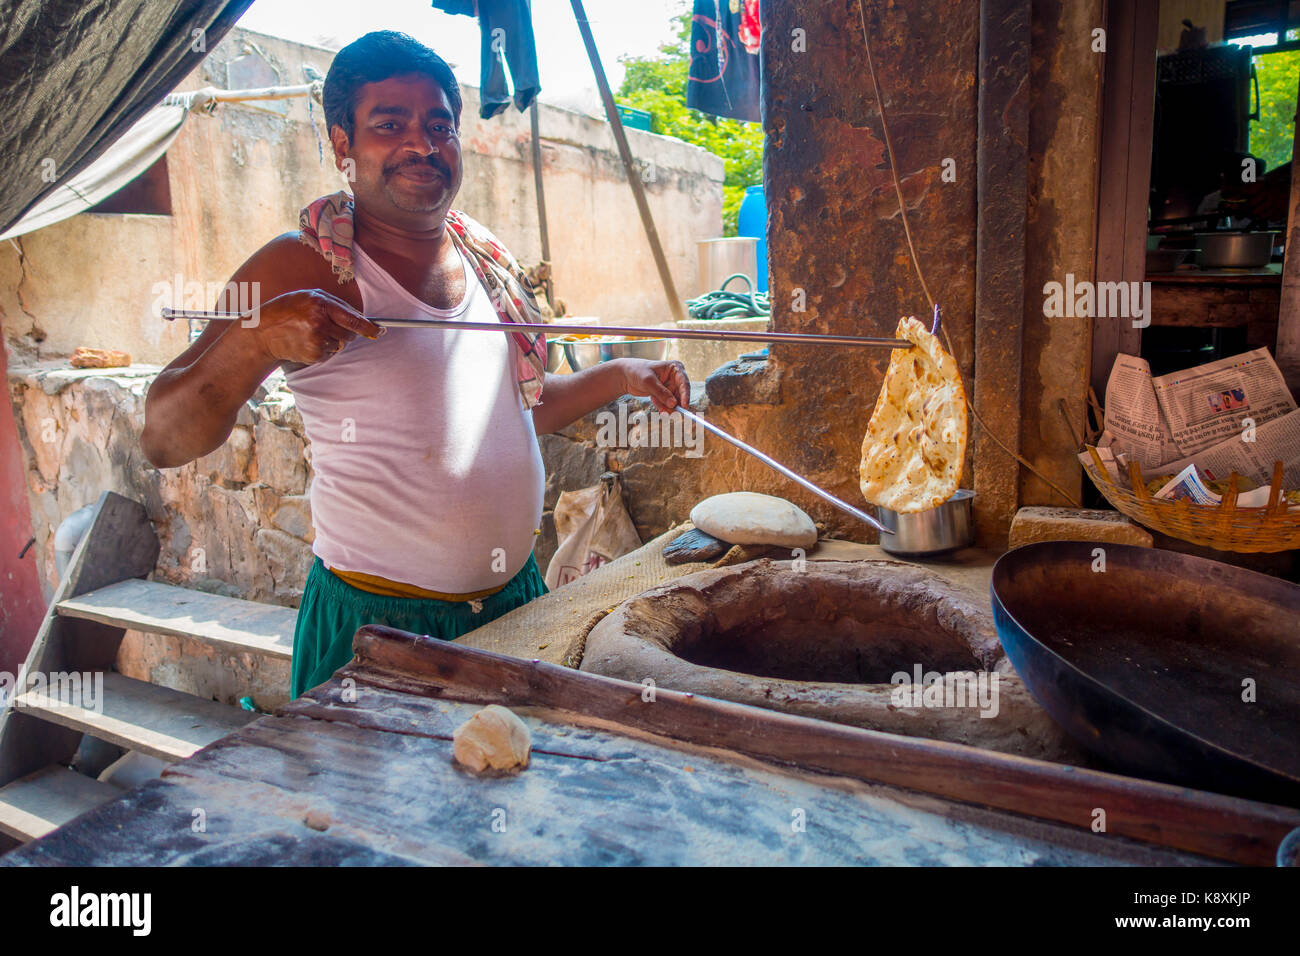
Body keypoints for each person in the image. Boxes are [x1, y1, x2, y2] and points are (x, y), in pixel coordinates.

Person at [141, 31, 690, 698]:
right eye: (389, 125)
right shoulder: (304, 265)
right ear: (343, 143)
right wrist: (255, 339)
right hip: (379, 626)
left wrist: (622, 377)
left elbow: (516, 412)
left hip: (515, 607)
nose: (422, 145)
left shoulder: (482, 259)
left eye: (438, 125)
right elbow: (165, 438)